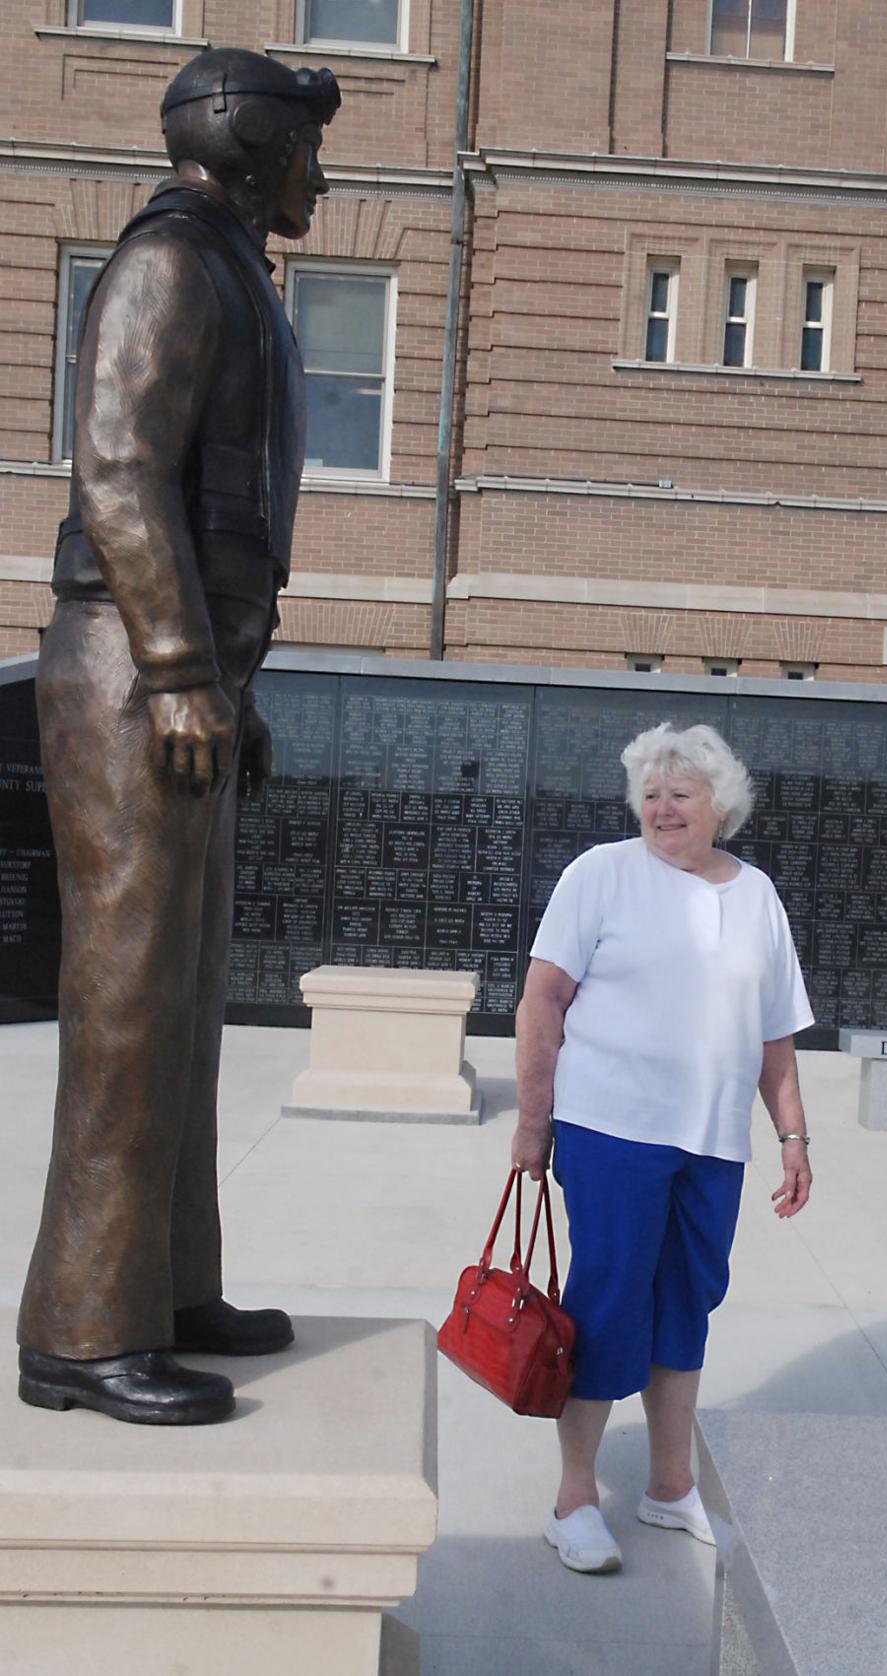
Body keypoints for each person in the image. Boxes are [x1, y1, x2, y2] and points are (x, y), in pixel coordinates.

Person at [17, 49, 341, 1426]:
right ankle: (82, 1335)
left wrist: (227, 683)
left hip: (183, 666)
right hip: (131, 661)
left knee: (186, 1005)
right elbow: (121, 466)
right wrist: (173, 665)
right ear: (258, 149)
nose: (322, 176)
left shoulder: (230, 269)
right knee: (127, 1006)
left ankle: (166, 1286)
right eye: (309, 153)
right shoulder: (168, 262)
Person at [512, 722, 815, 1573]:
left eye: (680, 793)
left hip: (713, 1141)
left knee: (687, 1308)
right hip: (611, 1131)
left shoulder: (756, 895)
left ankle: (669, 1485)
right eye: (650, 792)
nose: (661, 807)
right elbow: (541, 1004)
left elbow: (775, 1039)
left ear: (723, 807)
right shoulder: (599, 876)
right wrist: (534, 1123)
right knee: (608, 1307)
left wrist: (792, 1134)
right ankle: (574, 1499)